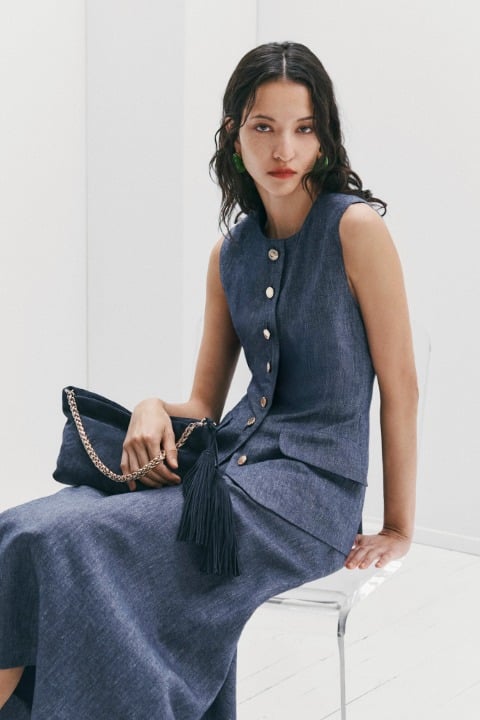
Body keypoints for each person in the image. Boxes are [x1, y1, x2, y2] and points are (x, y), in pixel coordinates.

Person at [0, 41, 417, 719]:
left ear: (323, 138)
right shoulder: (230, 254)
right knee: (22, 529)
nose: (284, 148)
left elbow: (401, 386)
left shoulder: (355, 230)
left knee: (70, 541)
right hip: (223, 473)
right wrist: (148, 407)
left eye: (304, 128)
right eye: (264, 127)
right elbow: (203, 404)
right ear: (233, 134)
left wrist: (398, 525)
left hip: (306, 501)